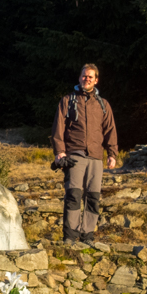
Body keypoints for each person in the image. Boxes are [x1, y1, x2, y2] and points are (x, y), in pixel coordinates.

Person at [51, 64, 119, 242]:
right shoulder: (68, 100)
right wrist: (60, 152)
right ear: (79, 78)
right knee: (73, 195)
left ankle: (87, 234)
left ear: (96, 80)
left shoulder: (103, 105)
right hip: (74, 155)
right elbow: (58, 127)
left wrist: (112, 153)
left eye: (90, 77)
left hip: (96, 157)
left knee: (93, 197)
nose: (86, 79)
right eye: (84, 76)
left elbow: (110, 130)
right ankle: (71, 236)